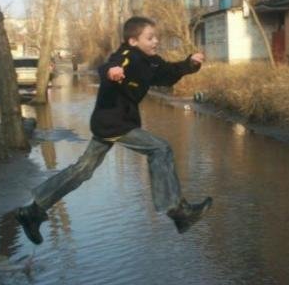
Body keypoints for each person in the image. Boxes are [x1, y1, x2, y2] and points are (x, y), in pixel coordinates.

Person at [15, 16, 212, 245]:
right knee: (160, 148)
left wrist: (190, 64)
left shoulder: (151, 61)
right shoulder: (127, 56)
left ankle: (33, 211)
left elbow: (168, 73)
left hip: (112, 121)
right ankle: (177, 211)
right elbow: (109, 65)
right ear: (133, 41)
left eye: (156, 37)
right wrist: (112, 71)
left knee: (83, 169)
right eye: (150, 38)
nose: (156, 41)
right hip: (115, 123)